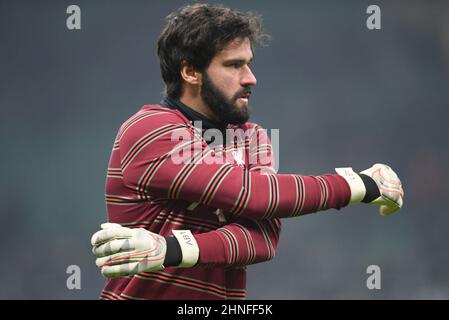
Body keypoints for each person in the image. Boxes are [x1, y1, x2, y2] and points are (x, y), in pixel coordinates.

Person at [90, 3, 404, 300]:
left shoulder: (252, 138)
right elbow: (254, 195)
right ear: (190, 72)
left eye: (248, 64)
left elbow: (263, 238)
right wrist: (360, 184)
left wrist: (172, 250)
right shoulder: (150, 130)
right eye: (234, 65)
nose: (250, 78)